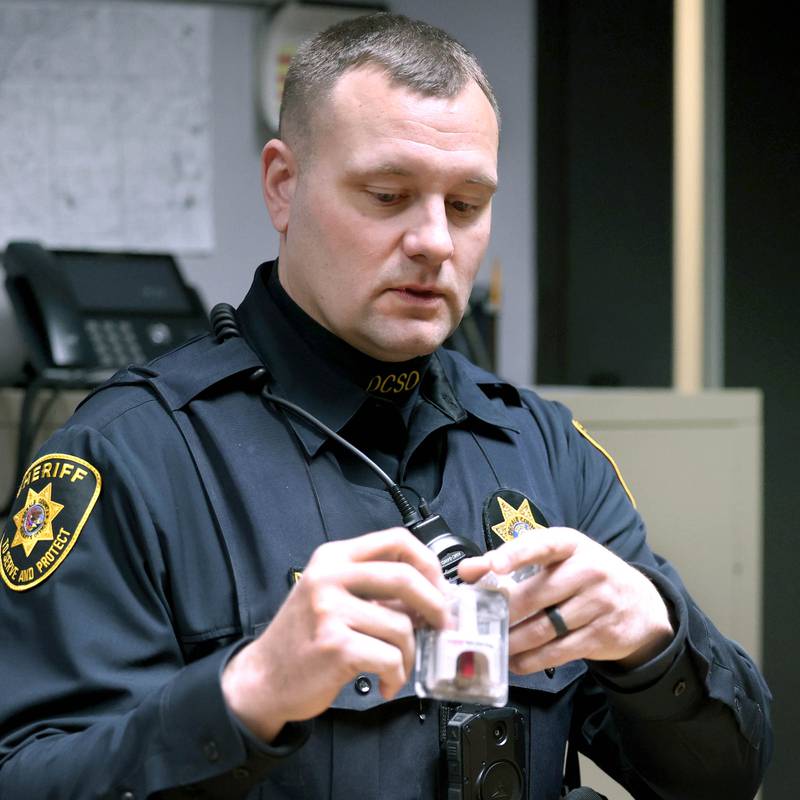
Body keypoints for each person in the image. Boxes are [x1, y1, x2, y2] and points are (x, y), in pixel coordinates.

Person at [0, 13, 770, 800]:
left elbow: (730, 775)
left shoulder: (544, 448)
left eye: (467, 204)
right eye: (387, 194)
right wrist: (248, 693)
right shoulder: (133, 457)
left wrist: (655, 643)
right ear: (282, 186)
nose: (435, 240)